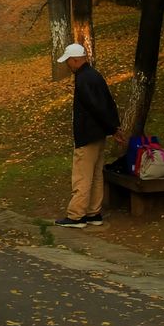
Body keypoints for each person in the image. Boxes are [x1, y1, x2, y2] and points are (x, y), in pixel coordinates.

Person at [54, 43, 125, 228]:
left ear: (76, 60)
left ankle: (76, 215)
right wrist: (113, 128)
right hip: (99, 134)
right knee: (95, 174)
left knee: (82, 175)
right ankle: (94, 212)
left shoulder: (83, 79)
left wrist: (112, 128)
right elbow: (108, 103)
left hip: (88, 135)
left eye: (68, 61)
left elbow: (96, 107)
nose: (68, 65)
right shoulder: (94, 75)